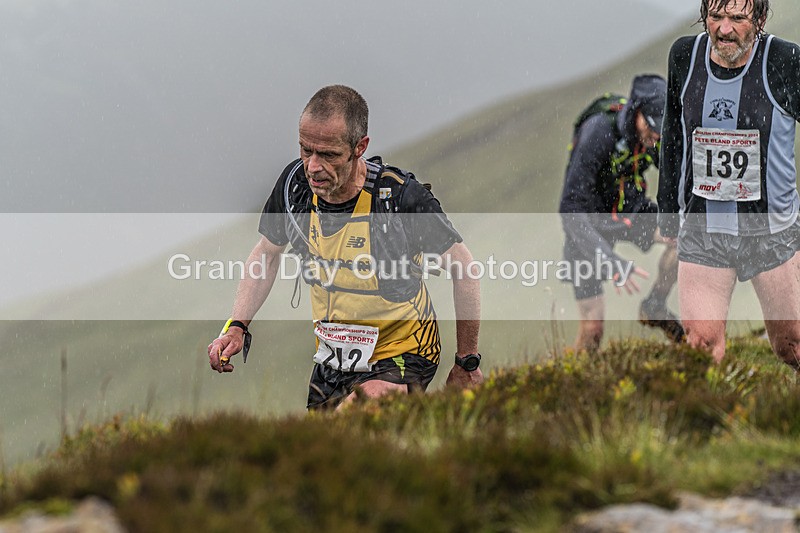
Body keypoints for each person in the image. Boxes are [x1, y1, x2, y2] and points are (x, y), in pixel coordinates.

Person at [208, 85, 483, 409]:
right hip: (333, 359)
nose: (312, 166)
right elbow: (266, 255)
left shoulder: (398, 198)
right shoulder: (294, 187)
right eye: (305, 150)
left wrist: (467, 361)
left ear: (359, 147)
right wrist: (238, 326)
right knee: (328, 454)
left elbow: (464, 268)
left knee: (355, 422)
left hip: (404, 351)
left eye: (328, 155)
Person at [658, 0, 800, 367]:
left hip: (772, 232)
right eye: (716, 17)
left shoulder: (784, 62)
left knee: (793, 347)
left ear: (761, 19)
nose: (724, 29)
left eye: (737, 18)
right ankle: (707, 419)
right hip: (704, 231)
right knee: (701, 346)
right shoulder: (685, 57)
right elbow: (673, 135)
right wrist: (667, 214)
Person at [560, 75, 685, 352]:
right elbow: (570, 209)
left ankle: (655, 305)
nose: (656, 136)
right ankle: (569, 383)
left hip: (629, 210)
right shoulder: (599, 132)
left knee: (684, 238)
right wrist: (607, 259)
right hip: (588, 222)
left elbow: (677, 183)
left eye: (661, 130)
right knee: (593, 330)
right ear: (635, 112)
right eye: (650, 126)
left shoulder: (657, 135)